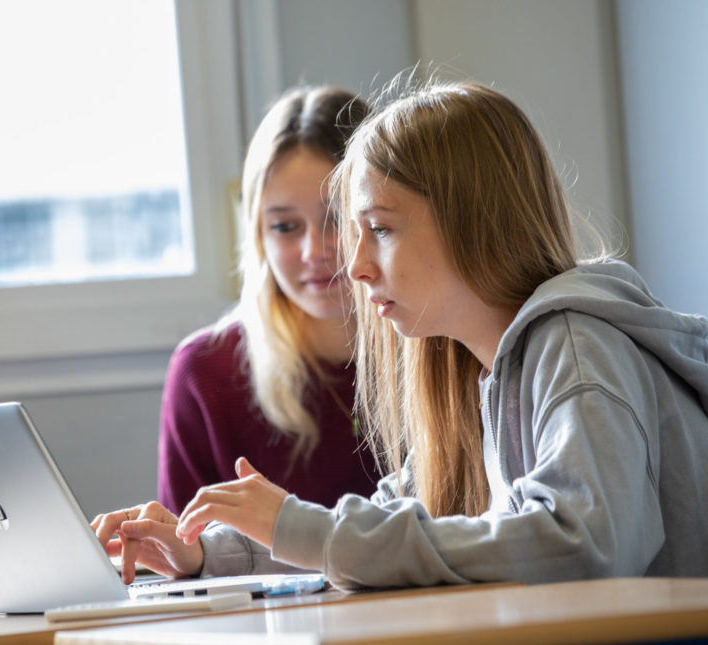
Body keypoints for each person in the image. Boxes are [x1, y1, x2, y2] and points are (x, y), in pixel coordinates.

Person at [95, 80, 708, 588]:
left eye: (377, 230)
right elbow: (391, 523)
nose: (354, 266)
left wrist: (301, 528)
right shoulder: (467, 369)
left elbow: (585, 547)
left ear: (475, 223)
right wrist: (210, 555)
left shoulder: (575, 346)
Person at [156, 85, 381, 517]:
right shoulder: (207, 372)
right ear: (258, 234)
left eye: (337, 217)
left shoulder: (442, 346)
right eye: (284, 227)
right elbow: (183, 556)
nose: (314, 250)